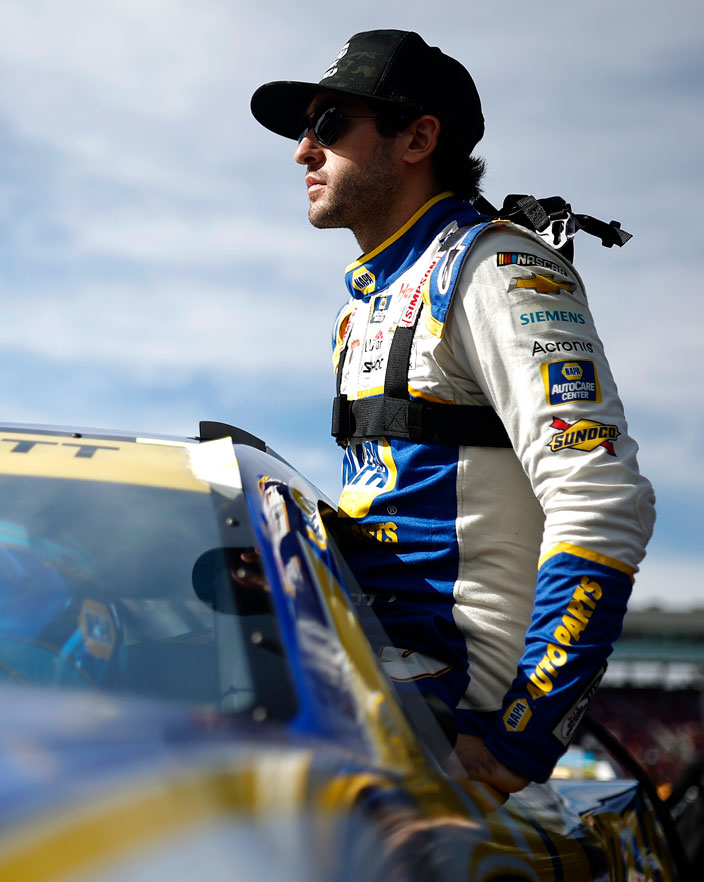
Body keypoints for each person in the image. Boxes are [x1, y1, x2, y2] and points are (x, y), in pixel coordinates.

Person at [250, 30, 656, 793]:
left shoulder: (496, 267)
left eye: (330, 125)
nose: (304, 151)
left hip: (447, 713)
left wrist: (519, 739)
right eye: (305, 131)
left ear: (418, 138)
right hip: (372, 665)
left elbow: (604, 501)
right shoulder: (366, 307)